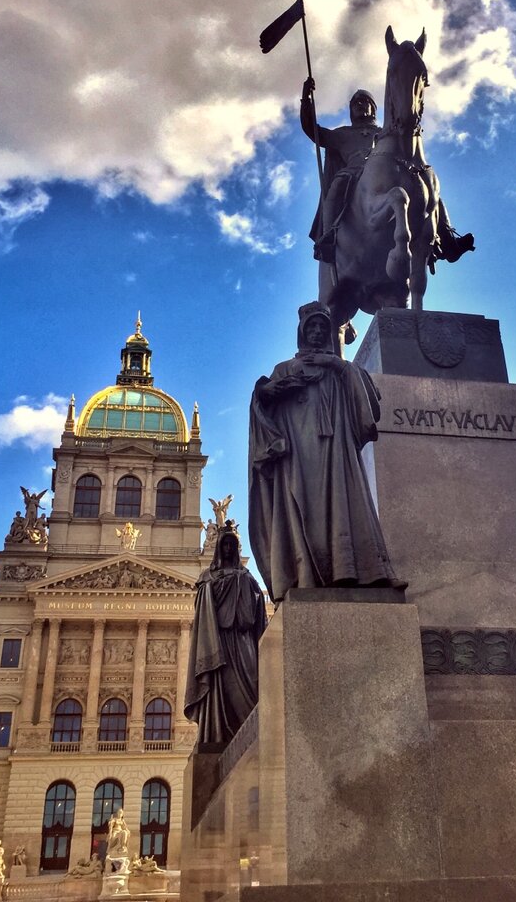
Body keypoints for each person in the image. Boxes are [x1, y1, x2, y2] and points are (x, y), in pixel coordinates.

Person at [248, 301, 404, 602]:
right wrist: (267, 393)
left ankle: (353, 571)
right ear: (302, 333)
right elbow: (261, 409)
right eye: (312, 328)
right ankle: (306, 575)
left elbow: (368, 402)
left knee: (345, 506)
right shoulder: (285, 369)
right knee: (302, 508)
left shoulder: (340, 370)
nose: (318, 332)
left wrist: (338, 365)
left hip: (336, 451)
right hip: (299, 455)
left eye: (322, 327)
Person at [184, 522, 267, 747]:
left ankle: (256, 735)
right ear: (219, 548)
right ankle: (223, 733)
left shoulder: (246, 575)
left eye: (232, 545)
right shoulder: (207, 577)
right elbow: (203, 609)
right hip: (218, 641)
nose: (229, 549)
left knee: (253, 683)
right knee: (226, 687)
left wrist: (242, 584)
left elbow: (257, 604)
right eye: (225, 545)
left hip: (242, 639)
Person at [300, 77, 380, 263]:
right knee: (340, 181)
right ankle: (329, 236)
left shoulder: (386, 132)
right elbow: (312, 130)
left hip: (387, 173)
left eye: (365, 101)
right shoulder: (341, 134)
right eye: (356, 103)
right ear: (351, 110)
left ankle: (446, 236)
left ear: (373, 108)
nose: (360, 104)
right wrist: (306, 99)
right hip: (354, 174)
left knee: (423, 177)